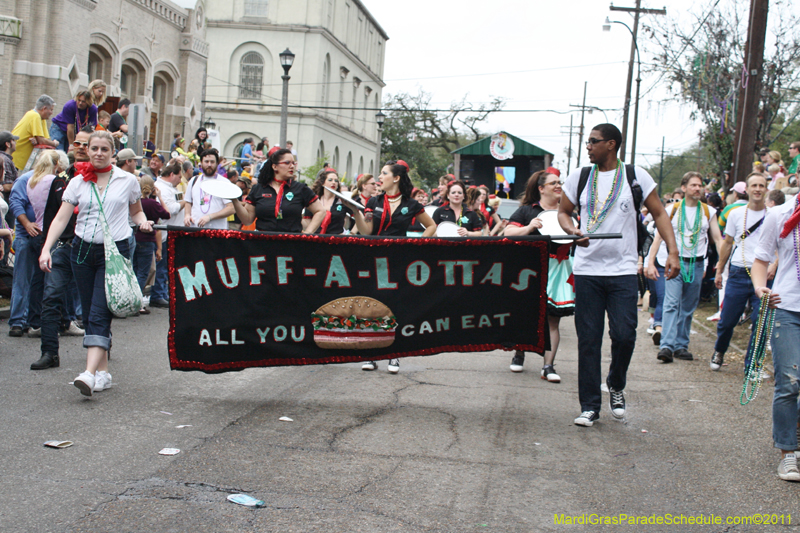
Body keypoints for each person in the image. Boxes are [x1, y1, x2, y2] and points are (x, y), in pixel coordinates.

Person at [558, 123, 679, 427]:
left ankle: (615, 382)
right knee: (589, 339)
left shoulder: (635, 176)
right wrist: (573, 231)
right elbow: (563, 212)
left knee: (624, 335)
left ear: (611, 144)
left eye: (593, 142)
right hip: (587, 270)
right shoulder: (580, 176)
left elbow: (660, 213)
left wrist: (673, 252)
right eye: (587, 142)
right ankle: (589, 406)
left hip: (624, 270)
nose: (588, 147)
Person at [39, 131, 153, 396]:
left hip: (114, 252)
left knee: (100, 312)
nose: (99, 153)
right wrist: (46, 249)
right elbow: (60, 219)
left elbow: (136, 211)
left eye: (105, 149)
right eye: (95, 148)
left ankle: (89, 374)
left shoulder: (127, 180)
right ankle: (103, 373)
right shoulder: (77, 182)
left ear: (113, 153)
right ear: (87, 150)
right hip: (81, 251)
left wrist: (143, 222)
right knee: (90, 311)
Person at [352, 159, 436, 374]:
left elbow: (431, 226)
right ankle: (370, 354)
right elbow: (367, 231)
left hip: (399, 260)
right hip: (373, 259)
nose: (379, 178)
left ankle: (394, 354)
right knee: (371, 304)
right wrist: (355, 213)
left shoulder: (412, 204)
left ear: (396, 178)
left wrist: (416, 245)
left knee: (395, 305)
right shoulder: (372, 202)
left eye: (383, 173)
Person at [506, 170, 576, 382]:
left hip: (559, 268)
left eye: (559, 182)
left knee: (552, 320)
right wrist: (529, 227)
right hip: (530, 268)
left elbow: (577, 240)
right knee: (526, 314)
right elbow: (508, 233)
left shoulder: (567, 213)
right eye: (553, 183)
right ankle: (519, 352)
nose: (558, 186)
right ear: (541, 188)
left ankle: (548, 366)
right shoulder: (527, 211)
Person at [750, 193, 800, 481]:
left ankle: (795, 431)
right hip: (787, 308)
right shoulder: (780, 214)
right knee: (789, 381)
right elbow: (761, 259)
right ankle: (787, 452)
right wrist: (760, 288)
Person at [647, 172, 722, 363]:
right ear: (684, 187)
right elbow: (658, 237)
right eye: (693, 185)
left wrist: (721, 263)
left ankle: (681, 345)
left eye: (700, 185)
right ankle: (666, 345)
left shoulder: (708, 212)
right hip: (675, 263)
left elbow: (717, 239)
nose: (698, 188)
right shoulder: (672, 209)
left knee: (688, 306)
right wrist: (650, 262)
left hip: (696, 263)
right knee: (671, 304)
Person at [27, 149, 84, 369]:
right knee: (50, 298)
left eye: (86, 144)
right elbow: (54, 216)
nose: (81, 147)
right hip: (64, 247)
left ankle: (101, 344)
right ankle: (49, 352)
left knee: (92, 302)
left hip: (90, 248)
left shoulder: (109, 179)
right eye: (78, 143)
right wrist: (46, 248)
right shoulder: (61, 181)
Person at [710, 172, 771, 372]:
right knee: (727, 320)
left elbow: (780, 245)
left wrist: (775, 265)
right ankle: (719, 350)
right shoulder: (736, 213)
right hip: (738, 271)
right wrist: (720, 270)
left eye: (761, 185)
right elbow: (727, 243)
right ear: (747, 189)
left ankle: (752, 365)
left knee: (760, 321)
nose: (758, 189)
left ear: (766, 189)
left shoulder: (773, 215)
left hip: (763, 275)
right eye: (754, 185)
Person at [231, 148, 325, 233]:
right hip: (263, 243)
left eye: (293, 163)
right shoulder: (259, 188)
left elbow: (320, 211)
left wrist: (308, 233)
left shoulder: (300, 188)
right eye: (287, 163)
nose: (292, 166)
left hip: (291, 244)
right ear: (274, 166)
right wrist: (234, 200)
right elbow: (247, 220)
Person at [132, 176, 169, 314]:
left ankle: (131, 300)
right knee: (143, 273)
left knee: (135, 271)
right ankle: (137, 302)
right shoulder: (152, 204)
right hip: (147, 240)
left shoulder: (136, 202)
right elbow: (167, 214)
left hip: (135, 238)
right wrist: (160, 197)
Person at [150, 163, 185, 309]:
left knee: (166, 265)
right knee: (161, 264)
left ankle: (162, 293)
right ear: (171, 175)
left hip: (172, 231)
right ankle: (157, 294)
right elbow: (171, 209)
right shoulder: (162, 188)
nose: (180, 180)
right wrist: (185, 202)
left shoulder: (170, 188)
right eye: (179, 176)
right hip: (164, 232)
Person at [184, 149, 235, 230]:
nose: (209, 164)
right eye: (206, 161)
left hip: (216, 232)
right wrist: (187, 215)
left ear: (217, 163)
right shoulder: (194, 180)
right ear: (201, 163)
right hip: (195, 230)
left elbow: (231, 208)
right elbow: (188, 202)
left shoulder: (224, 182)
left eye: (212, 162)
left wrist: (210, 217)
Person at [12, 95, 59, 171]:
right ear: (44, 108)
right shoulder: (35, 116)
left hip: (19, 157)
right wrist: (55, 143)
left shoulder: (41, 118)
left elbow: (45, 139)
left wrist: (39, 140)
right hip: (15, 157)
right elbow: (42, 140)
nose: (51, 113)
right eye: (51, 110)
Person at [1, 131, 19, 200]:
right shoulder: (5, 160)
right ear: (8, 144)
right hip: (5, 200)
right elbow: (6, 187)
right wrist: (21, 183)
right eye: (13, 141)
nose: (15, 143)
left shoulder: (4, 158)